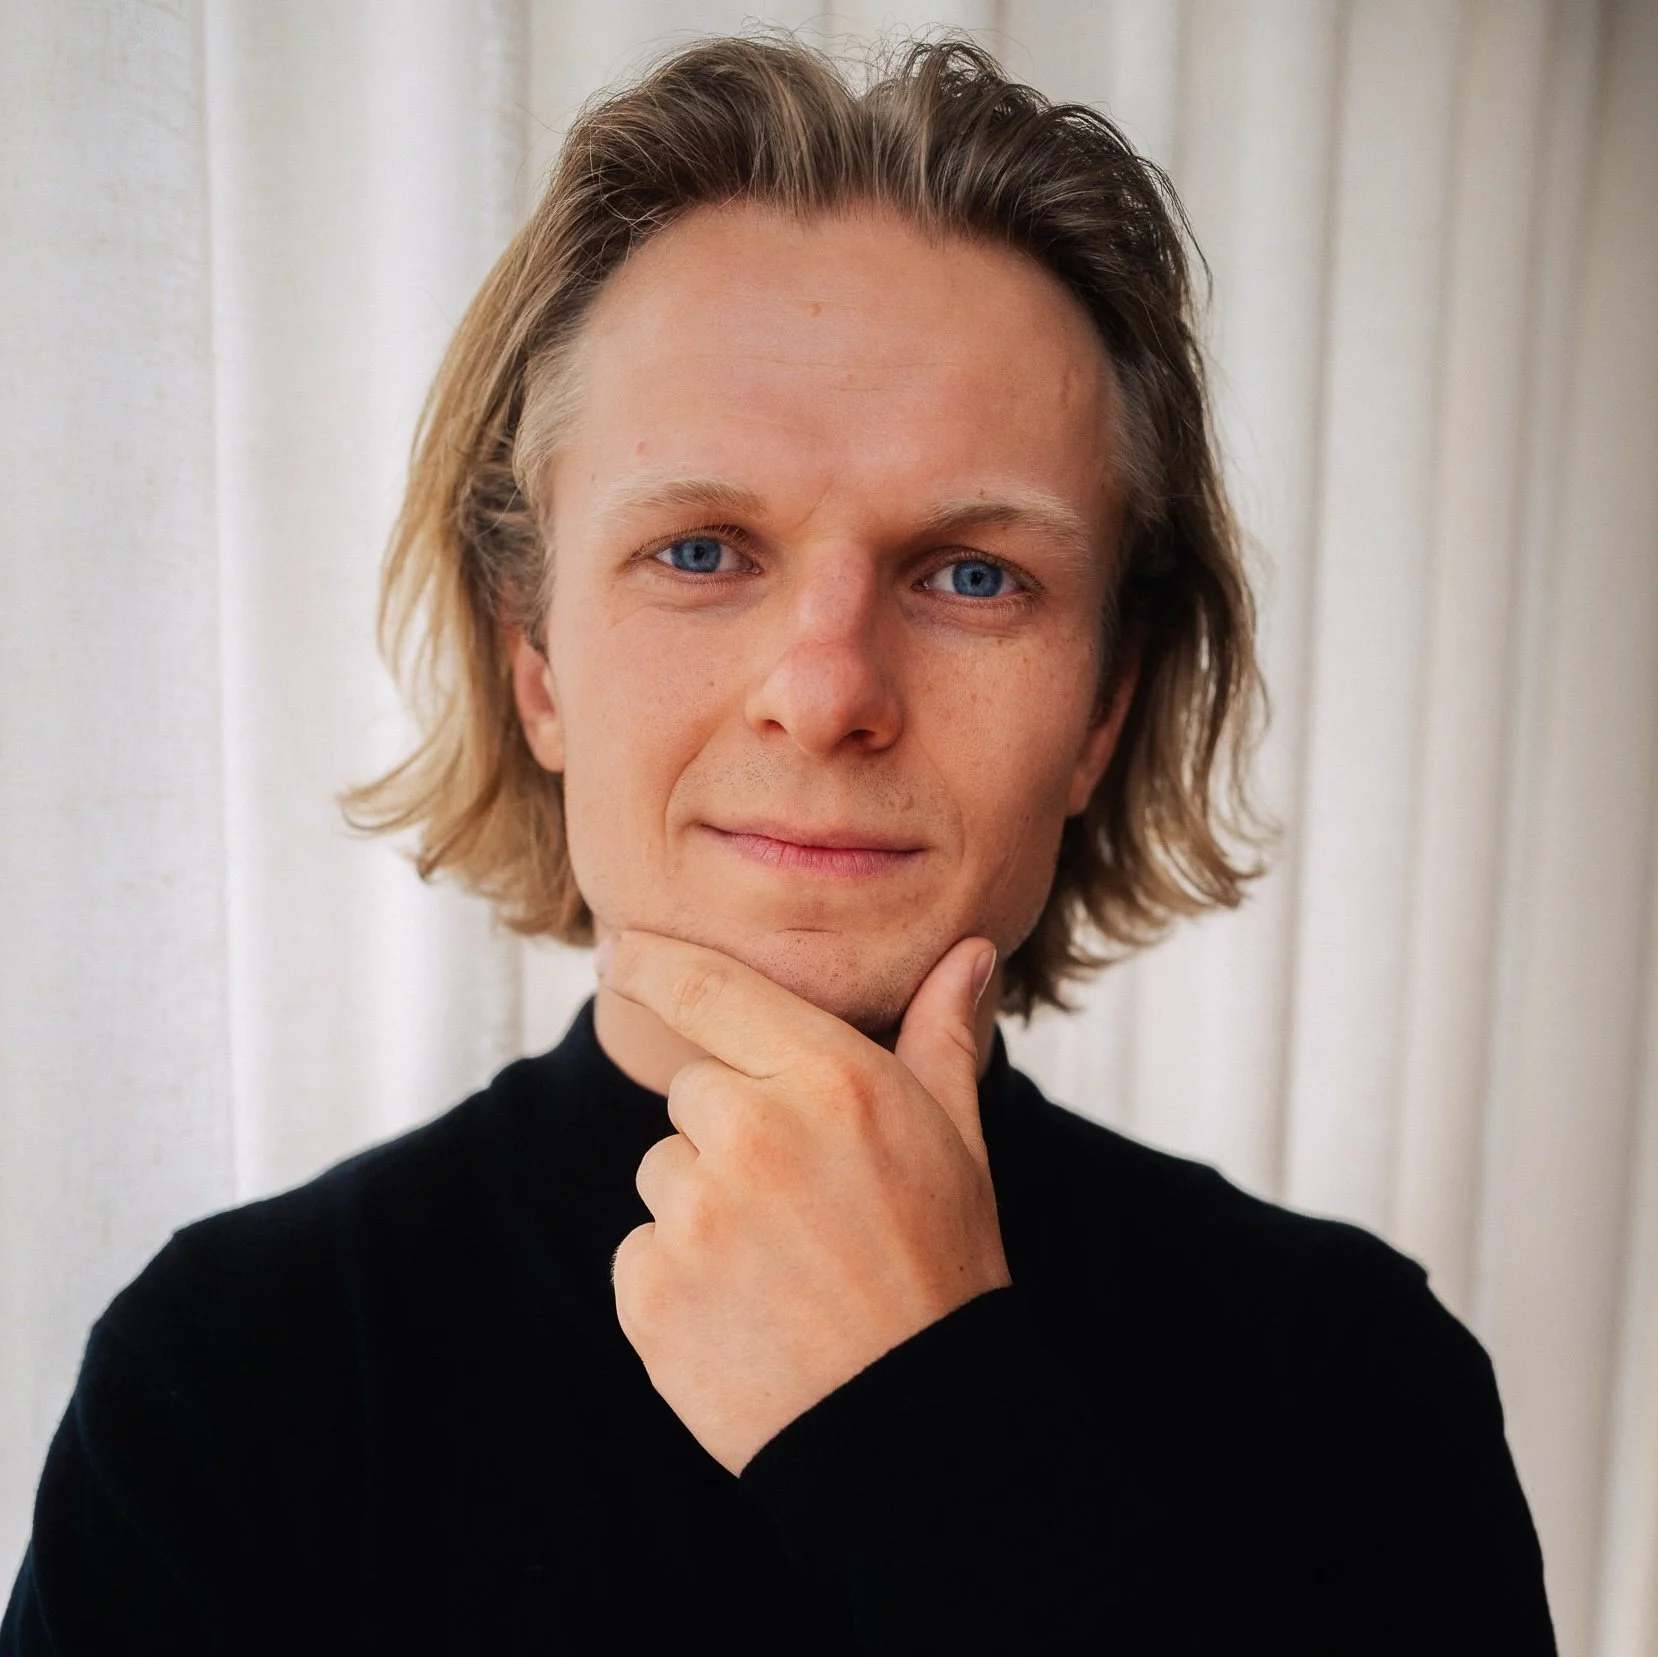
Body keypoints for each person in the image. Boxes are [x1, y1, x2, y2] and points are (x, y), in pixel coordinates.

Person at [2, 34, 1554, 1655]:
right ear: (536, 662)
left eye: (971, 576)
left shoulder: (1352, 1383)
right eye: (699, 550)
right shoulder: (235, 1372)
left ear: (1104, 708)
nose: (824, 694)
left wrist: (933, 1442)